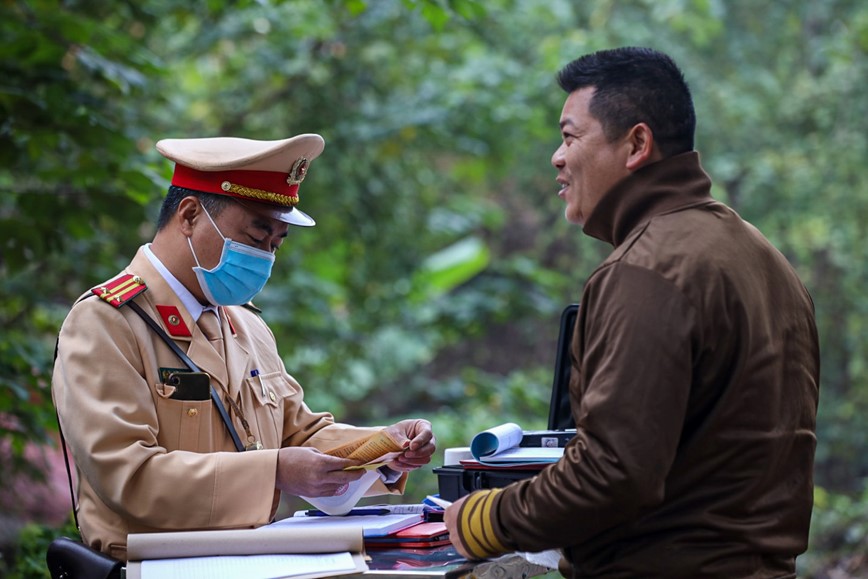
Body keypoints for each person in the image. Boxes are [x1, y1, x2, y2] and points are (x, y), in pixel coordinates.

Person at [444, 47, 820, 578]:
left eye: (571, 136)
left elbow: (613, 475)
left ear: (637, 144)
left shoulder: (645, 270)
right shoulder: (763, 257)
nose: (557, 156)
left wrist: (483, 519)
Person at [51, 133, 436, 560]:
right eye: (256, 237)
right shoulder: (107, 321)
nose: (266, 258)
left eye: (275, 244)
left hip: (252, 559)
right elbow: (129, 475)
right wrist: (274, 472)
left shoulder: (244, 323)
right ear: (190, 215)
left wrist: (383, 448)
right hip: (154, 567)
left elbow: (299, 433)